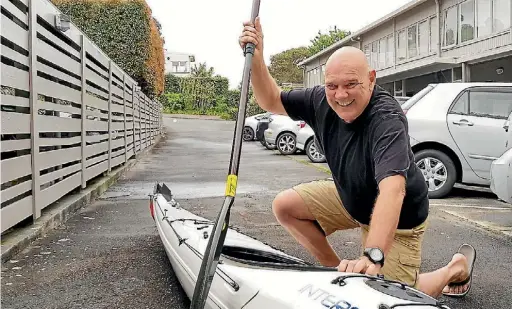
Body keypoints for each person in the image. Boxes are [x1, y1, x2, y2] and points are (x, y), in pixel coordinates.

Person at [238, 17, 476, 299]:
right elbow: (271, 100)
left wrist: (373, 256)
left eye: (352, 84)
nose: (341, 95)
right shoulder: (320, 99)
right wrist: (257, 55)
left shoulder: (386, 118)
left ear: (371, 79)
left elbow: (393, 189)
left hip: (399, 220)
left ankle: (453, 269)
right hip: (351, 197)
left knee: (389, 295)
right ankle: (336, 271)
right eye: (332, 86)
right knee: (286, 206)